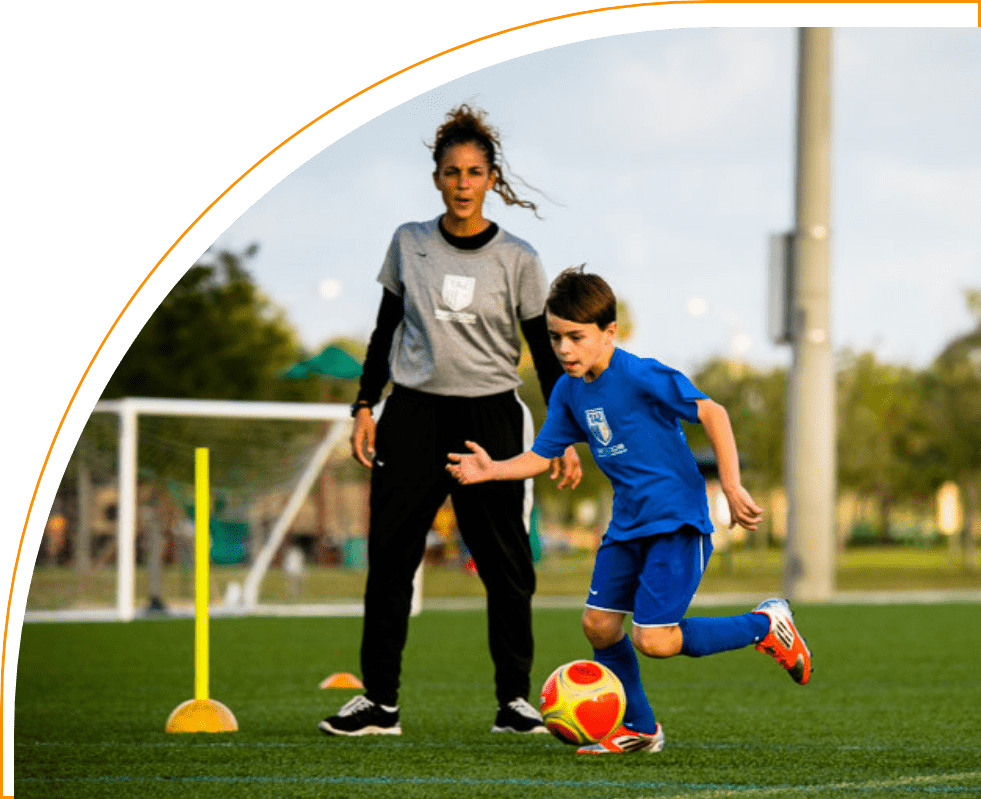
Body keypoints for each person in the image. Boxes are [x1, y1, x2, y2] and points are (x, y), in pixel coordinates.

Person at [446, 266, 812, 755]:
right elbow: (543, 454)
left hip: (676, 520)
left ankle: (767, 624)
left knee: (654, 639)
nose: (564, 349)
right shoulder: (567, 391)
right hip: (627, 525)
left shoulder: (639, 373)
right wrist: (492, 470)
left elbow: (713, 412)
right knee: (598, 625)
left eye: (576, 337)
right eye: (555, 337)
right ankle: (641, 729)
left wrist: (730, 484)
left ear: (609, 332)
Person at [319, 105, 582, 738]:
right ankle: (380, 703)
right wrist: (364, 404)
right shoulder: (409, 243)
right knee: (389, 559)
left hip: (491, 418)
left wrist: (566, 430)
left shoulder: (519, 258)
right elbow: (384, 331)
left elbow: (545, 355)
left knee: (507, 566)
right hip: (412, 413)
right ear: (436, 178)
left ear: (492, 179)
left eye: (474, 172)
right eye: (450, 172)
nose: (462, 184)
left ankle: (514, 703)